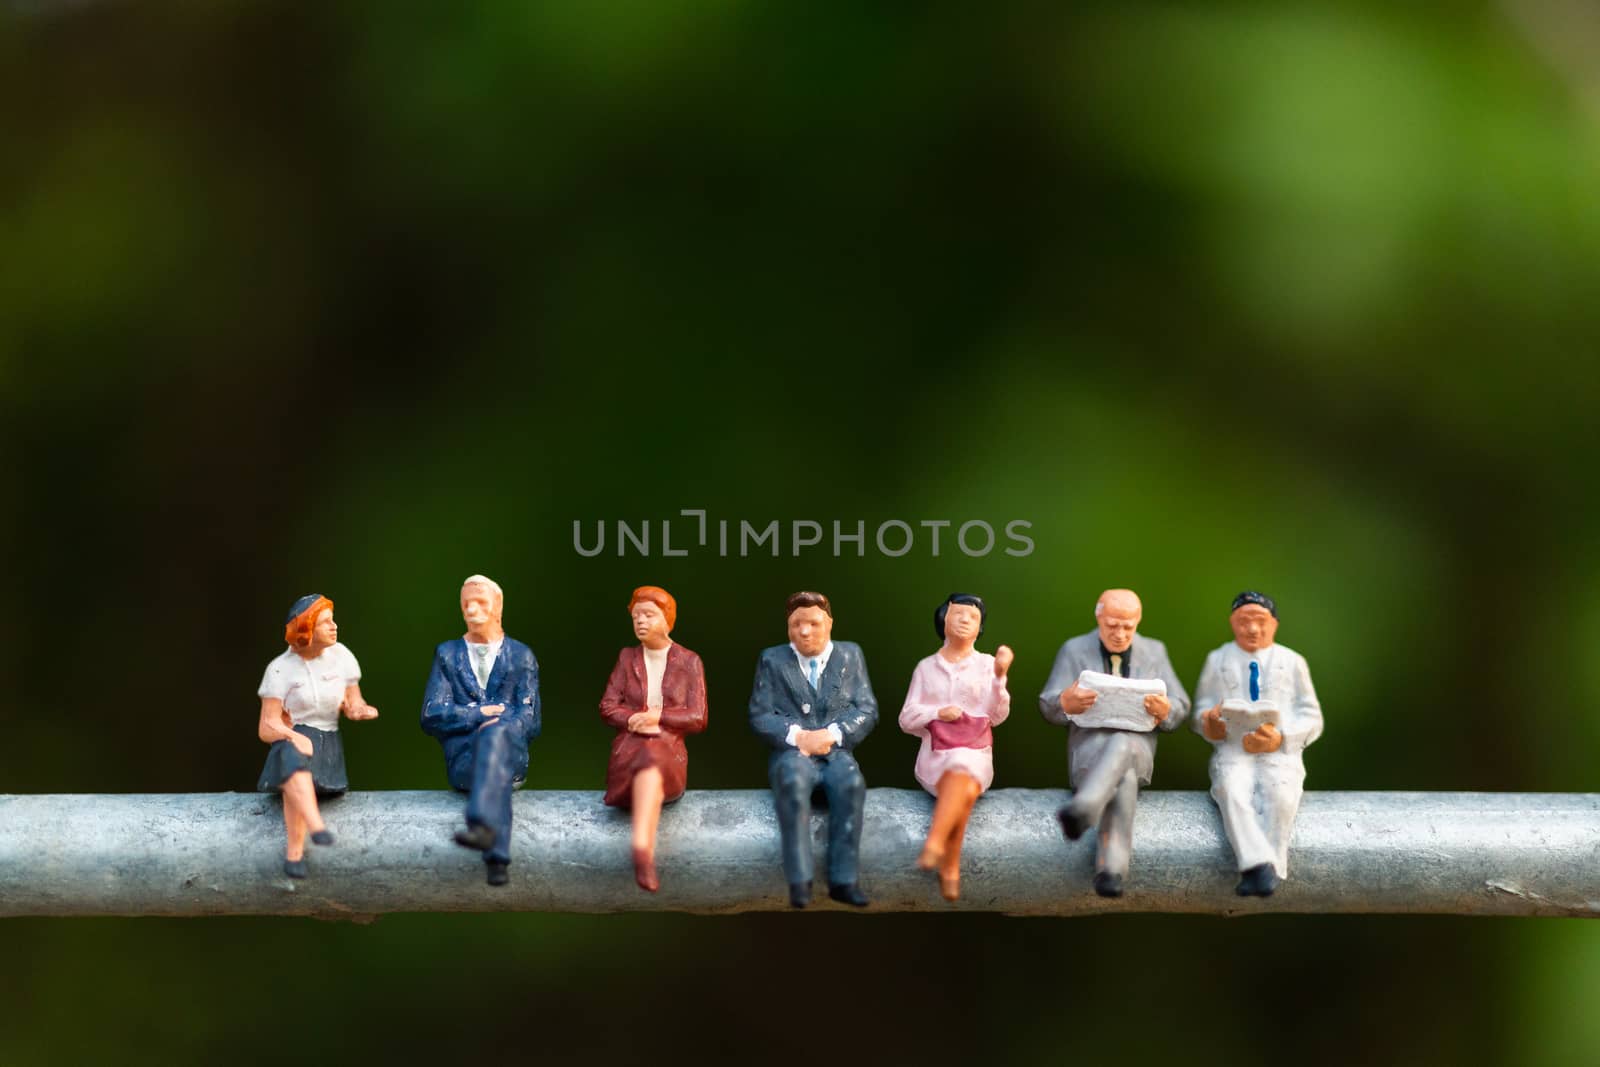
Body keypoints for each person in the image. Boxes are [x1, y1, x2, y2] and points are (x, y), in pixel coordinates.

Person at [1038, 588, 1190, 897]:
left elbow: (1181, 704)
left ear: (1138, 621)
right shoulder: (1073, 649)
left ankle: (1084, 808)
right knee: (1125, 781)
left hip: (1138, 747)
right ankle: (1111, 872)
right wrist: (1066, 701)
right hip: (1090, 751)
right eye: (1112, 625)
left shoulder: (1155, 651)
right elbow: (1048, 702)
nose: (1120, 634)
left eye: (1127, 626)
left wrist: (1166, 710)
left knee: (1124, 743)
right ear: (1098, 617)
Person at [748, 591, 878, 909]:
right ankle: (799, 881)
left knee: (849, 784)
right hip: (794, 754)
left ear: (829, 623)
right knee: (792, 783)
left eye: (813, 623)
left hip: (835, 751)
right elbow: (760, 714)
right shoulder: (772, 659)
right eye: (796, 624)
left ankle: (844, 879)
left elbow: (866, 709)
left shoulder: (850, 656)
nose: (804, 631)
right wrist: (796, 736)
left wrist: (833, 734)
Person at [1192, 591, 1323, 897]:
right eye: (1244, 621)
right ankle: (1258, 866)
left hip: (1278, 749)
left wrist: (1282, 737)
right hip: (1234, 747)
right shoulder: (1217, 659)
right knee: (1232, 791)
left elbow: (1312, 715)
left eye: (1260, 621)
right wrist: (1209, 723)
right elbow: (1201, 708)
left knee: (1280, 794)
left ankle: (1268, 869)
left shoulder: (1293, 661)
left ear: (1274, 624)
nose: (1252, 629)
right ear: (1232, 623)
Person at [420, 575, 541, 886]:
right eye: (466, 604)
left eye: (481, 603)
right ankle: (497, 858)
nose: (472, 610)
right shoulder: (447, 654)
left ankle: (480, 825)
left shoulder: (521, 655)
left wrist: (498, 726)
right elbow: (432, 714)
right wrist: (478, 715)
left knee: (496, 736)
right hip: (465, 761)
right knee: (493, 755)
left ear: (497, 607)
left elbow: (531, 720)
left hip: (510, 755)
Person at [898, 593, 1012, 901]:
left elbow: (997, 716)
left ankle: (937, 844)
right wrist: (937, 712)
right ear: (943, 619)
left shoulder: (988, 665)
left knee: (963, 767)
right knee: (962, 784)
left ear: (980, 628)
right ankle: (949, 865)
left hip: (976, 751)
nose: (965, 620)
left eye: (973, 617)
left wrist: (999, 679)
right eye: (958, 614)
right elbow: (906, 718)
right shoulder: (926, 668)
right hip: (936, 753)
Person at [256, 594, 379, 879]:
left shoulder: (342, 657)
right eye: (326, 623)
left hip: (327, 741)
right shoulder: (279, 669)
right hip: (295, 734)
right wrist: (291, 735)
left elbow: (353, 701)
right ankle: (314, 830)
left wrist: (359, 710)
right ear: (305, 630)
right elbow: (267, 725)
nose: (334, 627)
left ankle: (296, 852)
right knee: (290, 760)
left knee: (293, 778)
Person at [598, 585, 708, 892]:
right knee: (644, 753)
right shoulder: (626, 658)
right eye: (636, 616)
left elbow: (698, 717)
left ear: (667, 619)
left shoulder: (689, 661)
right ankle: (642, 847)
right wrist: (633, 719)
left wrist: (658, 719)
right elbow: (607, 707)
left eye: (648, 615)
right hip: (630, 747)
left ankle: (642, 848)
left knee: (653, 756)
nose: (641, 622)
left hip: (667, 752)